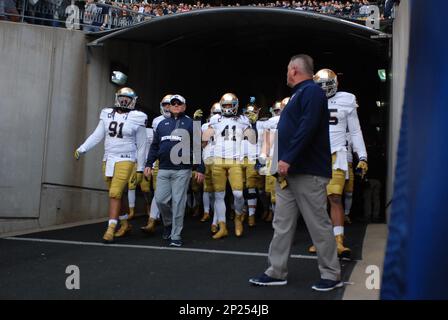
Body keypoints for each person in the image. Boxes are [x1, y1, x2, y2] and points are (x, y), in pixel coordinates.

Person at [249, 54, 342, 292]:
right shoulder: (301, 94)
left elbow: (307, 126)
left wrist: (287, 158)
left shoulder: (311, 92)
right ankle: (276, 271)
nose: (286, 74)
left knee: (318, 224)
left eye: (287, 70)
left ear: (293, 70)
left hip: (306, 170)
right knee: (282, 223)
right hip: (290, 172)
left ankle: (331, 274)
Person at [75, 87, 147, 243]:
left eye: (128, 98)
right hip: (108, 159)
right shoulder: (107, 113)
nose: (124, 100)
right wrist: (82, 148)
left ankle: (110, 229)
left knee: (114, 193)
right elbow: (98, 134)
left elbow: (142, 145)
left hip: (126, 158)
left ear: (133, 100)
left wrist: (140, 168)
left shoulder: (138, 117)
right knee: (117, 195)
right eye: (122, 97)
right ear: (117, 98)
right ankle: (125, 223)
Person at [311, 68, 368, 258]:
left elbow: (355, 131)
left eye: (328, 85)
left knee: (335, 197)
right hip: (315, 156)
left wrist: (362, 156)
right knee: (317, 201)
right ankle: (320, 239)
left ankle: (338, 240)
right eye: (321, 86)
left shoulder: (347, 99)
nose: (324, 89)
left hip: (337, 154)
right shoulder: (309, 98)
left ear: (336, 84)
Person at [144, 94, 205, 247]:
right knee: (160, 200)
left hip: (182, 169)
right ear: (169, 107)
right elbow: (155, 146)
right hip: (163, 168)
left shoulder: (192, 123)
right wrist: (148, 164)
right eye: (173, 103)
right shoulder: (162, 124)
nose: (176, 106)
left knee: (178, 202)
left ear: (184, 106)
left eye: (179, 104)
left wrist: (200, 168)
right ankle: (169, 224)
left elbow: (198, 147)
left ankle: (176, 235)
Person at [202, 93, 251, 239]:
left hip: (235, 160)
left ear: (236, 105)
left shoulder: (243, 119)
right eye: (226, 106)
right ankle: (222, 226)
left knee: (238, 193)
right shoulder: (215, 119)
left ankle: (237, 217)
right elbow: (205, 139)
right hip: (218, 159)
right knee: (219, 195)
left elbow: (252, 139)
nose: (228, 108)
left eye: (230, 105)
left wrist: (252, 125)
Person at [140, 94, 172, 234]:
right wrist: (149, 163)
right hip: (161, 161)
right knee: (159, 192)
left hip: (178, 162)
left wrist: (194, 165)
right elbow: (154, 144)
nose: (167, 107)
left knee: (176, 196)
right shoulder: (157, 121)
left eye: (170, 104)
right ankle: (152, 220)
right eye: (165, 104)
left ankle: (171, 225)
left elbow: (193, 144)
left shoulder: (186, 121)